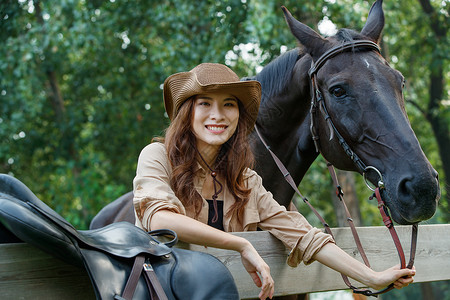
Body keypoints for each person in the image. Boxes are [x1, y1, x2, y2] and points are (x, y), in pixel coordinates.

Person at [132, 63, 415, 300]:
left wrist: (372, 277)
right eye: (205, 103)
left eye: (228, 104)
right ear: (187, 112)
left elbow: (303, 235)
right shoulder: (157, 156)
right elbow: (159, 220)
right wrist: (240, 245)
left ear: (238, 117)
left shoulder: (244, 179)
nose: (217, 115)